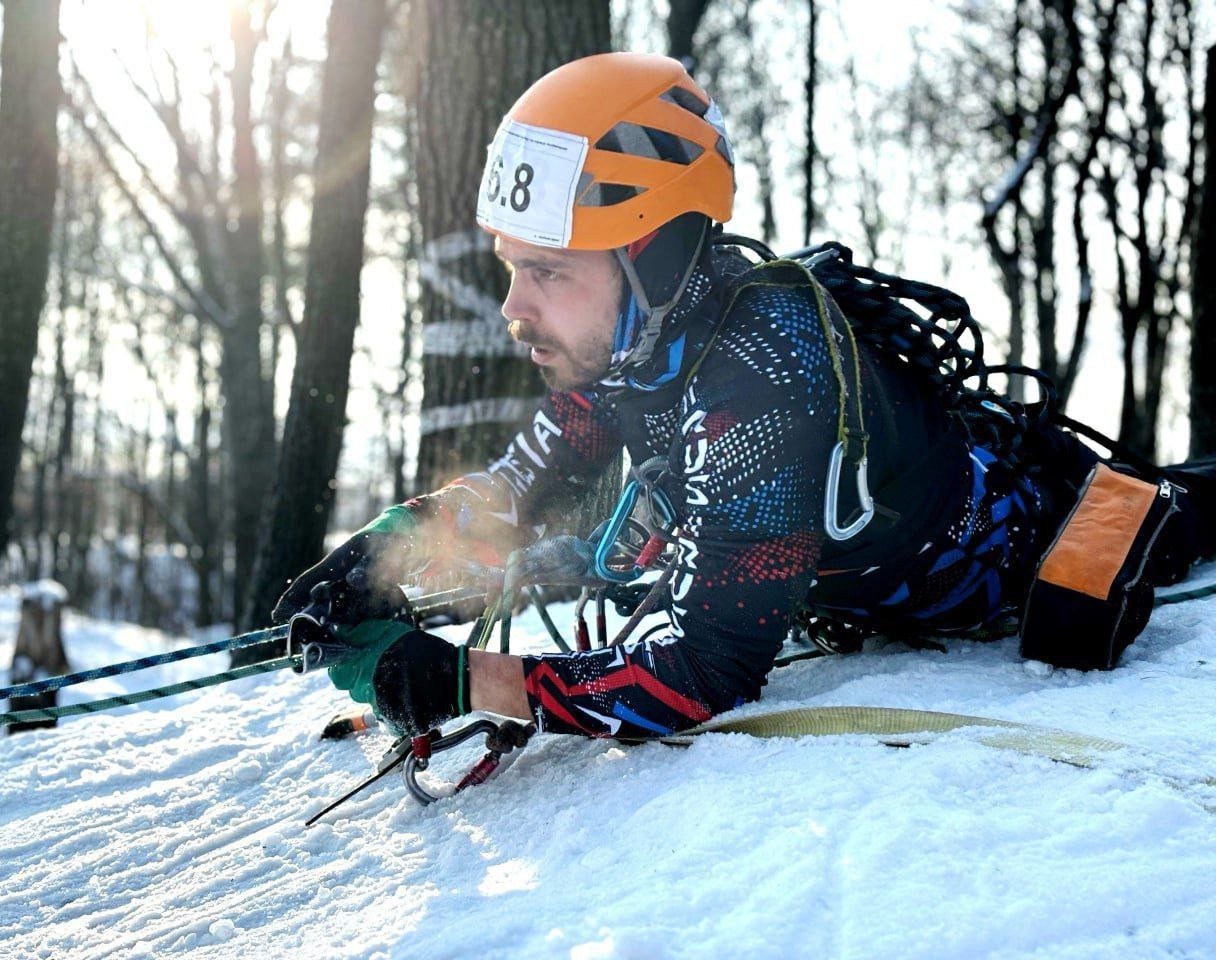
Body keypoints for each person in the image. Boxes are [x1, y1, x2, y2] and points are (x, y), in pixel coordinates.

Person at [275, 52, 1216, 740]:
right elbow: (531, 476)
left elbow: (698, 672)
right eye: (512, 269)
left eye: (549, 272)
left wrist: (463, 682)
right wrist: (389, 548)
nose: (514, 309)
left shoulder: (758, 378)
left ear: (650, 253)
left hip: (1036, 537)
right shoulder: (646, 340)